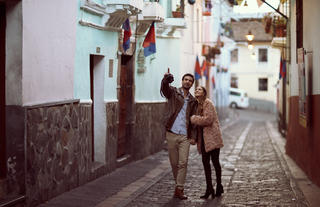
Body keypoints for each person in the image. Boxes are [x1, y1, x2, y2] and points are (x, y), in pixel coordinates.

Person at [160, 71, 197, 200]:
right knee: (174, 163)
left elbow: (193, 120)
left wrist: (193, 136)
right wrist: (166, 80)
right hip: (172, 133)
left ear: (192, 84)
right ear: (182, 81)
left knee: (183, 162)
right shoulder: (173, 93)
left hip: (185, 136)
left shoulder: (193, 100)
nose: (187, 82)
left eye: (190, 80)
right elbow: (165, 90)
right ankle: (178, 186)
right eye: (185, 79)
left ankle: (179, 188)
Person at [190, 86, 224, 199]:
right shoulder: (197, 105)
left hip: (212, 138)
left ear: (204, 93)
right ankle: (209, 188)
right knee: (205, 164)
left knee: (215, 162)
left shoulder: (208, 103)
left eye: (199, 89)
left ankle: (219, 185)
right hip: (203, 139)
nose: (196, 91)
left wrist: (194, 119)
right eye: (196, 90)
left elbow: (208, 120)